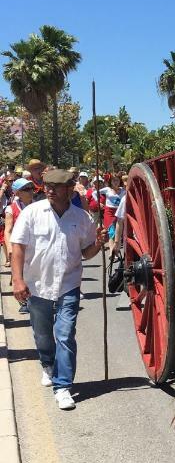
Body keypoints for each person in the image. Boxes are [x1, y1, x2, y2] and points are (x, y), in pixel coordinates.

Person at [10, 169, 106, 409]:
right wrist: (18, 280)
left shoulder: (82, 218)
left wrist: (99, 244)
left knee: (64, 335)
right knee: (43, 334)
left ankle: (63, 386)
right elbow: (18, 247)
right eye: (48, 186)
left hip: (68, 284)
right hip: (37, 284)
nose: (50, 190)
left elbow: (86, 252)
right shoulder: (32, 213)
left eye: (57, 187)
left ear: (69, 190)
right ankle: (48, 364)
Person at [5, 177, 35, 303]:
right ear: (17, 193)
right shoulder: (11, 209)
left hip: (35, 247)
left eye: (31, 188)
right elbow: (8, 230)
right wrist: (10, 248)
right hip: (19, 247)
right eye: (26, 189)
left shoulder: (38, 206)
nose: (30, 191)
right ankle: (24, 301)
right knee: (21, 274)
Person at [99, 172, 125, 247]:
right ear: (111, 182)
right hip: (109, 212)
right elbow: (95, 193)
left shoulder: (123, 191)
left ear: (120, 181)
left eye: (117, 180)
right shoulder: (107, 189)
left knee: (119, 232)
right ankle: (112, 253)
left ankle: (116, 250)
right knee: (111, 232)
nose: (115, 182)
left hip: (119, 211)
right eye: (113, 181)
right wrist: (99, 202)